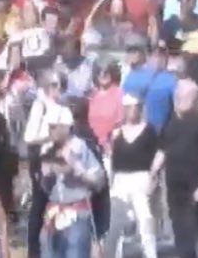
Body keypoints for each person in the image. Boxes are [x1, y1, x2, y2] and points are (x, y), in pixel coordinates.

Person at [158, 80, 198, 258]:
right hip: (173, 183)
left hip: (195, 184)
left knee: (190, 226)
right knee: (178, 227)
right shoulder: (170, 120)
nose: (180, 99)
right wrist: (153, 173)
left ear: (195, 99)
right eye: (179, 96)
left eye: (186, 97)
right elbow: (163, 149)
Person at [37, 105, 107, 258]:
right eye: (50, 127)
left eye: (54, 127)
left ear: (66, 127)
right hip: (54, 212)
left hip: (77, 213)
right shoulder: (47, 149)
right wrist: (46, 176)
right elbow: (45, 188)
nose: (51, 130)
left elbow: (99, 181)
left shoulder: (81, 147)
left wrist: (77, 171)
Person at [106, 93, 164, 258]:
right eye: (128, 108)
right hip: (120, 179)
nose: (131, 111)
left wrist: (154, 173)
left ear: (140, 109)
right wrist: (110, 180)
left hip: (141, 178)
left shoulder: (149, 130)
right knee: (118, 220)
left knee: (145, 218)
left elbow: (160, 151)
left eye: (135, 107)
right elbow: (112, 157)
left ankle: (150, 253)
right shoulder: (117, 132)